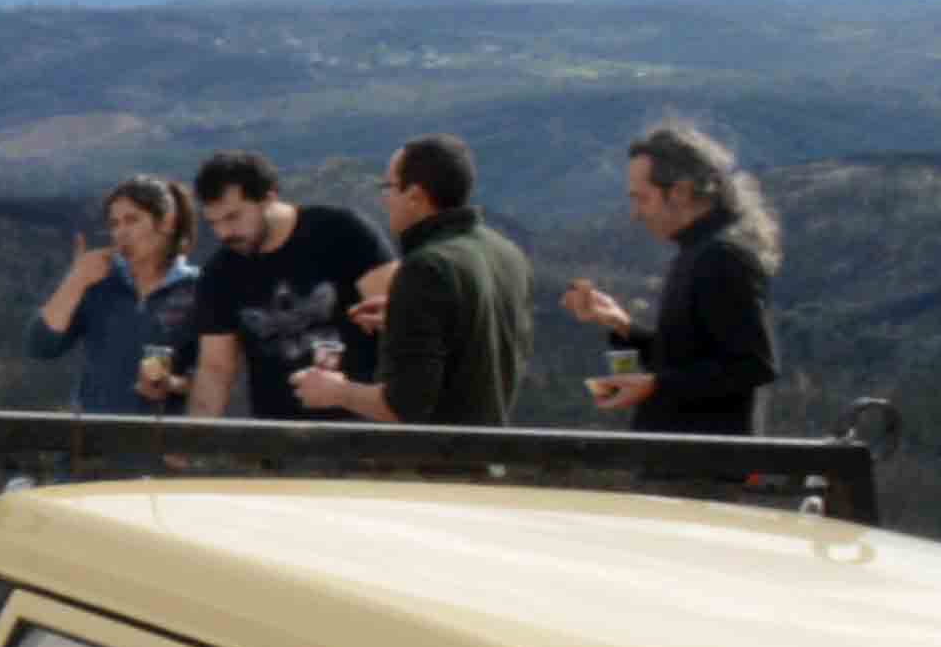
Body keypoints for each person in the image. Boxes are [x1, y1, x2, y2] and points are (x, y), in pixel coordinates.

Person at [572, 120, 786, 432]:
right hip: (693, 461)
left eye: (642, 198)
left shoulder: (722, 257)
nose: (635, 213)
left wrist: (655, 385)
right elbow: (688, 358)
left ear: (681, 191)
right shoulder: (700, 251)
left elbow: (752, 365)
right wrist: (622, 325)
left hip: (706, 468)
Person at [307, 135, 529, 430]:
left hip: (437, 464)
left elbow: (403, 406)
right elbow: (476, 338)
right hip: (491, 453)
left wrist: (336, 391)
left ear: (414, 195)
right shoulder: (506, 253)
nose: (384, 200)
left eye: (388, 187)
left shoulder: (425, 267)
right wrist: (403, 313)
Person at [179, 153, 382, 425]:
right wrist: (193, 437)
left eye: (233, 217)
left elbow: (401, 319)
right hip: (278, 442)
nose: (224, 233)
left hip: (368, 432)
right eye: (214, 222)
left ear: (268, 197)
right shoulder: (220, 273)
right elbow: (216, 369)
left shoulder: (343, 233)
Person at [36, 175, 181, 424]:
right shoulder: (98, 285)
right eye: (114, 224)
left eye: (132, 220)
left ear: (166, 223)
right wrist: (76, 280)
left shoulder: (195, 289)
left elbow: (217, 375)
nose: (121, 232)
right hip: (91, 445)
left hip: (161, 448)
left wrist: (175, 383)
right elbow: (41, 346)